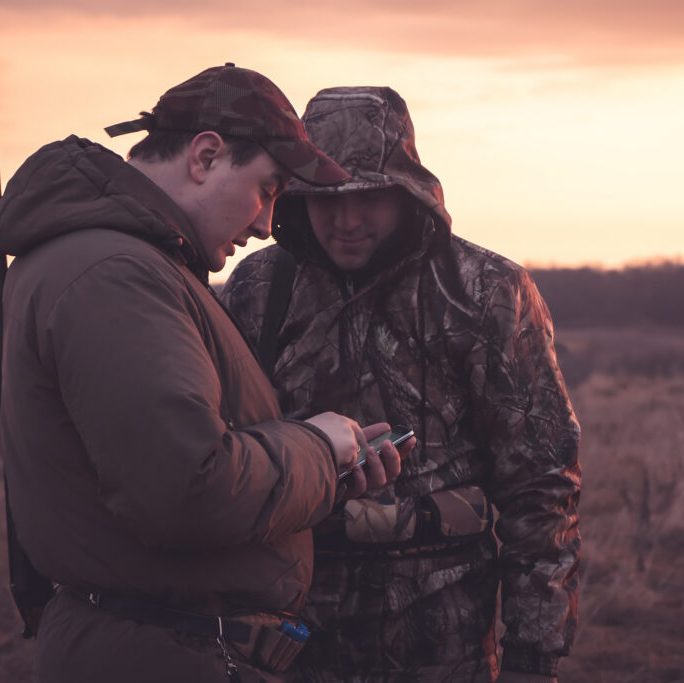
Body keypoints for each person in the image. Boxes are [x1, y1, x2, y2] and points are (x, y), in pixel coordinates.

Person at [0, 65, 411, 683]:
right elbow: (190, 491)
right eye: (266, 190)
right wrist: (319, 447)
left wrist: (321, 483)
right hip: (161, 654)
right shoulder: (116, 274)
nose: (267, 223)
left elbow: (159, 476)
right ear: (205, 156)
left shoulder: (128, 264)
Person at [222, 86, 581, 683]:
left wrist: (533, 655)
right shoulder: (257, 288)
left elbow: (541, 486)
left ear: (404, 190)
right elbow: (222, 457)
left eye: (367, 195)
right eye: (322, 198)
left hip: (445, 638)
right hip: (288, 635)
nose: (346, 219)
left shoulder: (486, 291)